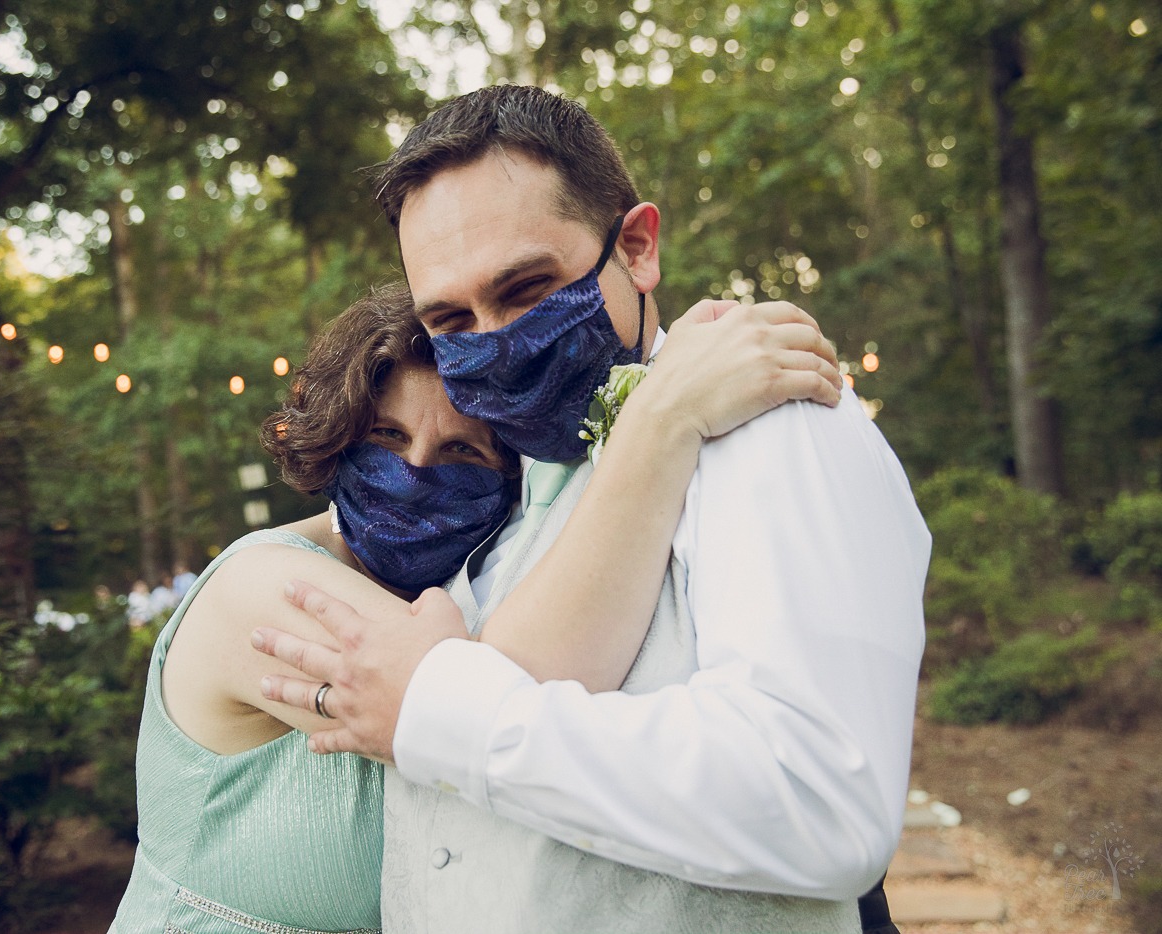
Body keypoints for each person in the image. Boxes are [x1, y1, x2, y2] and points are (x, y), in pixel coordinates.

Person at [254, 85, 931, 933]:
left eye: (528, 289)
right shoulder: (498, 489)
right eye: (451, 317)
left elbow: (817, 797)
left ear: (637, 248)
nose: (494, 340)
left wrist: (439, 712)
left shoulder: (769, 422)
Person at [108, 280, 843, 933]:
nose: (417, 469)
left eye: (462, 452)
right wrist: (664, 417)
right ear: (337, 439)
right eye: (387, 437)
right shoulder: (260, 587)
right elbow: (482, 703)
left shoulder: (474, 590)